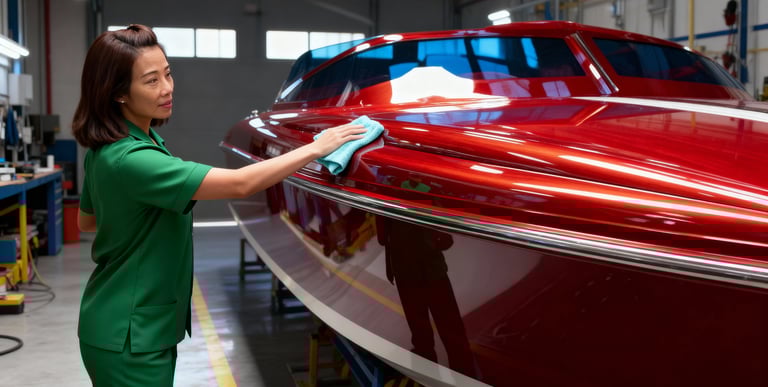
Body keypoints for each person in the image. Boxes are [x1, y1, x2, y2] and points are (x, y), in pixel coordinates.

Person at [71, 24, 365, 386]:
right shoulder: (134, 159)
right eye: (151, 81)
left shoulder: (115, 147)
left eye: (167, 73)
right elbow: (241, 185)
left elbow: (88, 221)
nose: (167, 88)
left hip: (131, 323)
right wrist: (318, 147)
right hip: (131, 334)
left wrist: (134, 222)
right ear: (117, 93)